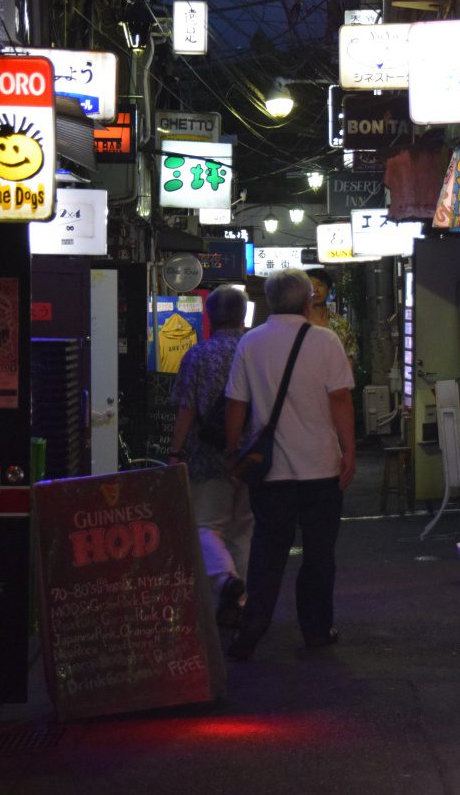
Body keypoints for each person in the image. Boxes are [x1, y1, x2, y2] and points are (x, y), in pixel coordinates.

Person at [222, 268, 356, 660]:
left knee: (267, 552)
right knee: (319, 554)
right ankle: (316, 629)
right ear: (306, 301)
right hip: (321, 468)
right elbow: (341, 400)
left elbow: (236, 403)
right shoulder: (326, 342)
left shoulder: (251, 343)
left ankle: (253, 626)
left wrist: (233, 452)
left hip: (271, 471)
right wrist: (349, 449)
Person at [168, 285, 254, 628]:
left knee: (206, 526)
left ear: (209, 315)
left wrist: (175, 452)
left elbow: (186, 409)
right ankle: (240, 600)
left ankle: (225, 581)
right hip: (252, 456)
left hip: (209, 456)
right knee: (243, 531)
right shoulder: (256, 351)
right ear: (242, 314)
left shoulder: (199, 355)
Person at [305, 266, 358, 365]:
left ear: (329, 290)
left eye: (320, 285)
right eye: (310, 286)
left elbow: (348, 360)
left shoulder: (341, 324)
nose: (315, 290)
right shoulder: (297, 323)